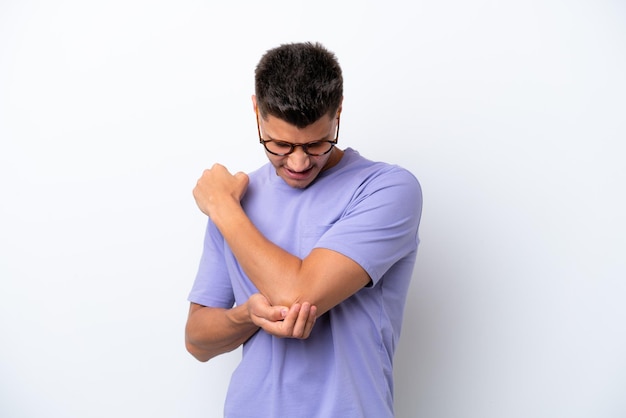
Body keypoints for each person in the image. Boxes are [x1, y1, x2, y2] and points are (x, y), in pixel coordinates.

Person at [185, 41, 422, 418]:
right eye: (280, 144)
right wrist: (245, 316)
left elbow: (297, 295)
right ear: (256, 112)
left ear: (338, 112)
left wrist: (222, 209)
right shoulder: (238, 199)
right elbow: (197, 340)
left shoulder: (386, 189)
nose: (298, 162)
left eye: (316, 144)